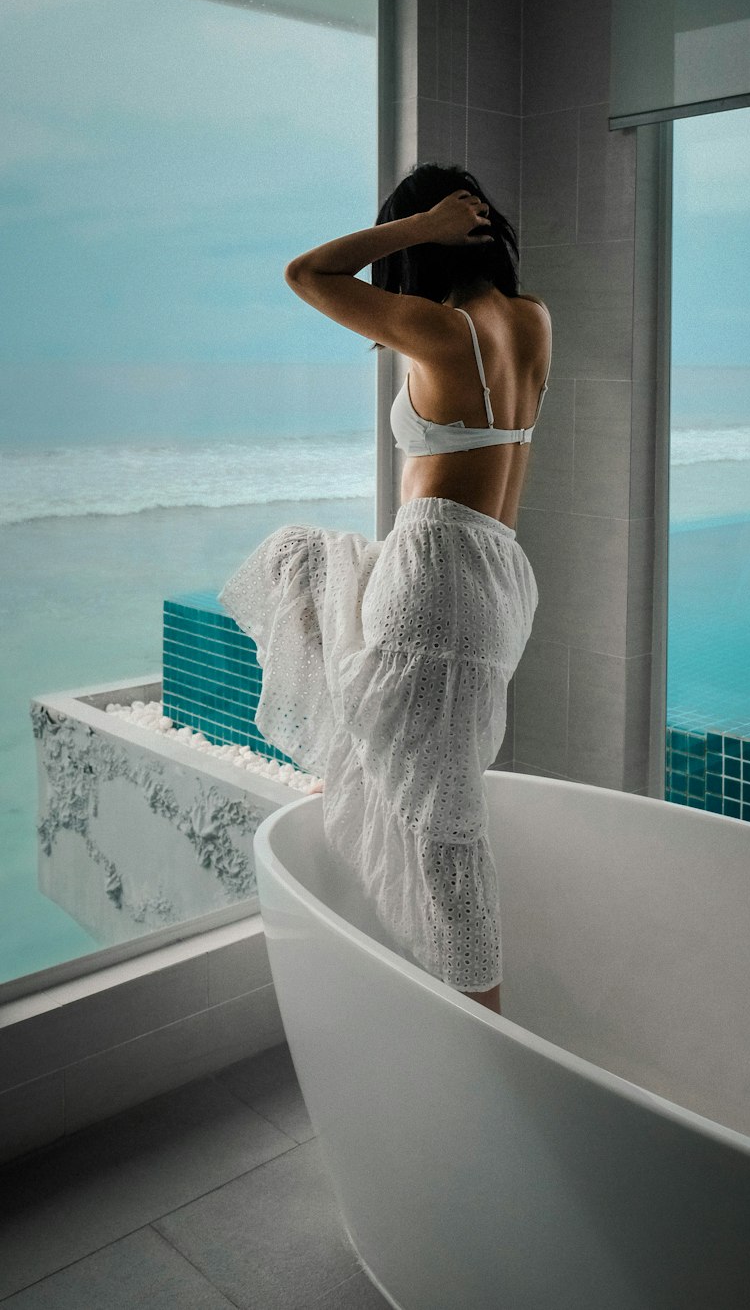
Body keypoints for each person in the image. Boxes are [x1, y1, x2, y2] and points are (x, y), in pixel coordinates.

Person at [218, 163, 552, 1016]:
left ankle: (484, 1025)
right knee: (307, 565)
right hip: (500, 577)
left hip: (436, 577)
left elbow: (306, 273)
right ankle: (360, 773)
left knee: (445, 831)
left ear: (439, 236)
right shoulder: (531, 320)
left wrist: (416, 229)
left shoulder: (442, 332)